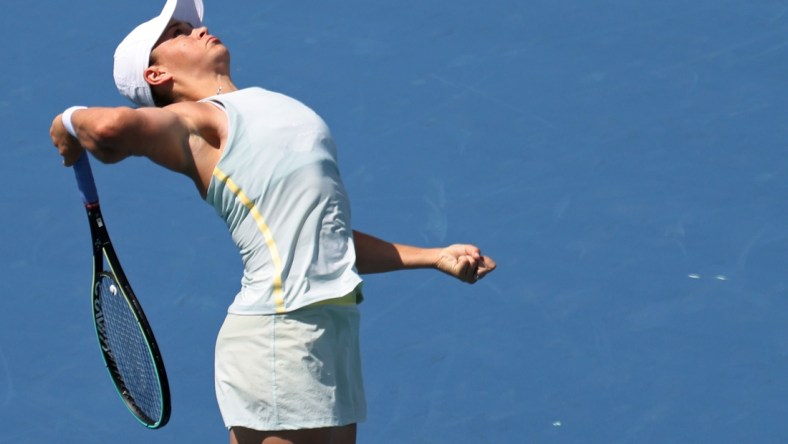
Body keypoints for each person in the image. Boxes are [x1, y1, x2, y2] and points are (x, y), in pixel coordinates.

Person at [50, 0, 496, 442]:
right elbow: (107, 132)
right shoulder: (192, 120)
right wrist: (66, 121)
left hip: (330, 330)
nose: (199, 31)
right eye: (178, 33)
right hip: (279, 332)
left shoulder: (268, 105)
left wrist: (434, 257)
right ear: (156, 75)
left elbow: (327, 239)